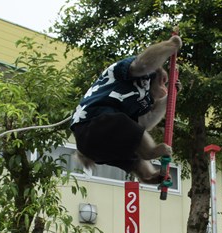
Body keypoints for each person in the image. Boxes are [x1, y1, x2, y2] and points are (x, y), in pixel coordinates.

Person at [70, 35, 182, 184]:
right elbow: (143, 64)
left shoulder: (143, 101)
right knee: (121, 123)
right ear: (155, 75)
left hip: (98, 147)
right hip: (91, 123)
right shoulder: (139, 75)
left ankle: (147, 175)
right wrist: (171, 46)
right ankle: (150, 151)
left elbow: (146, 123)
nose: (163, 89)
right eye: (163, 82)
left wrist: (171, 97)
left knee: (130, 148)